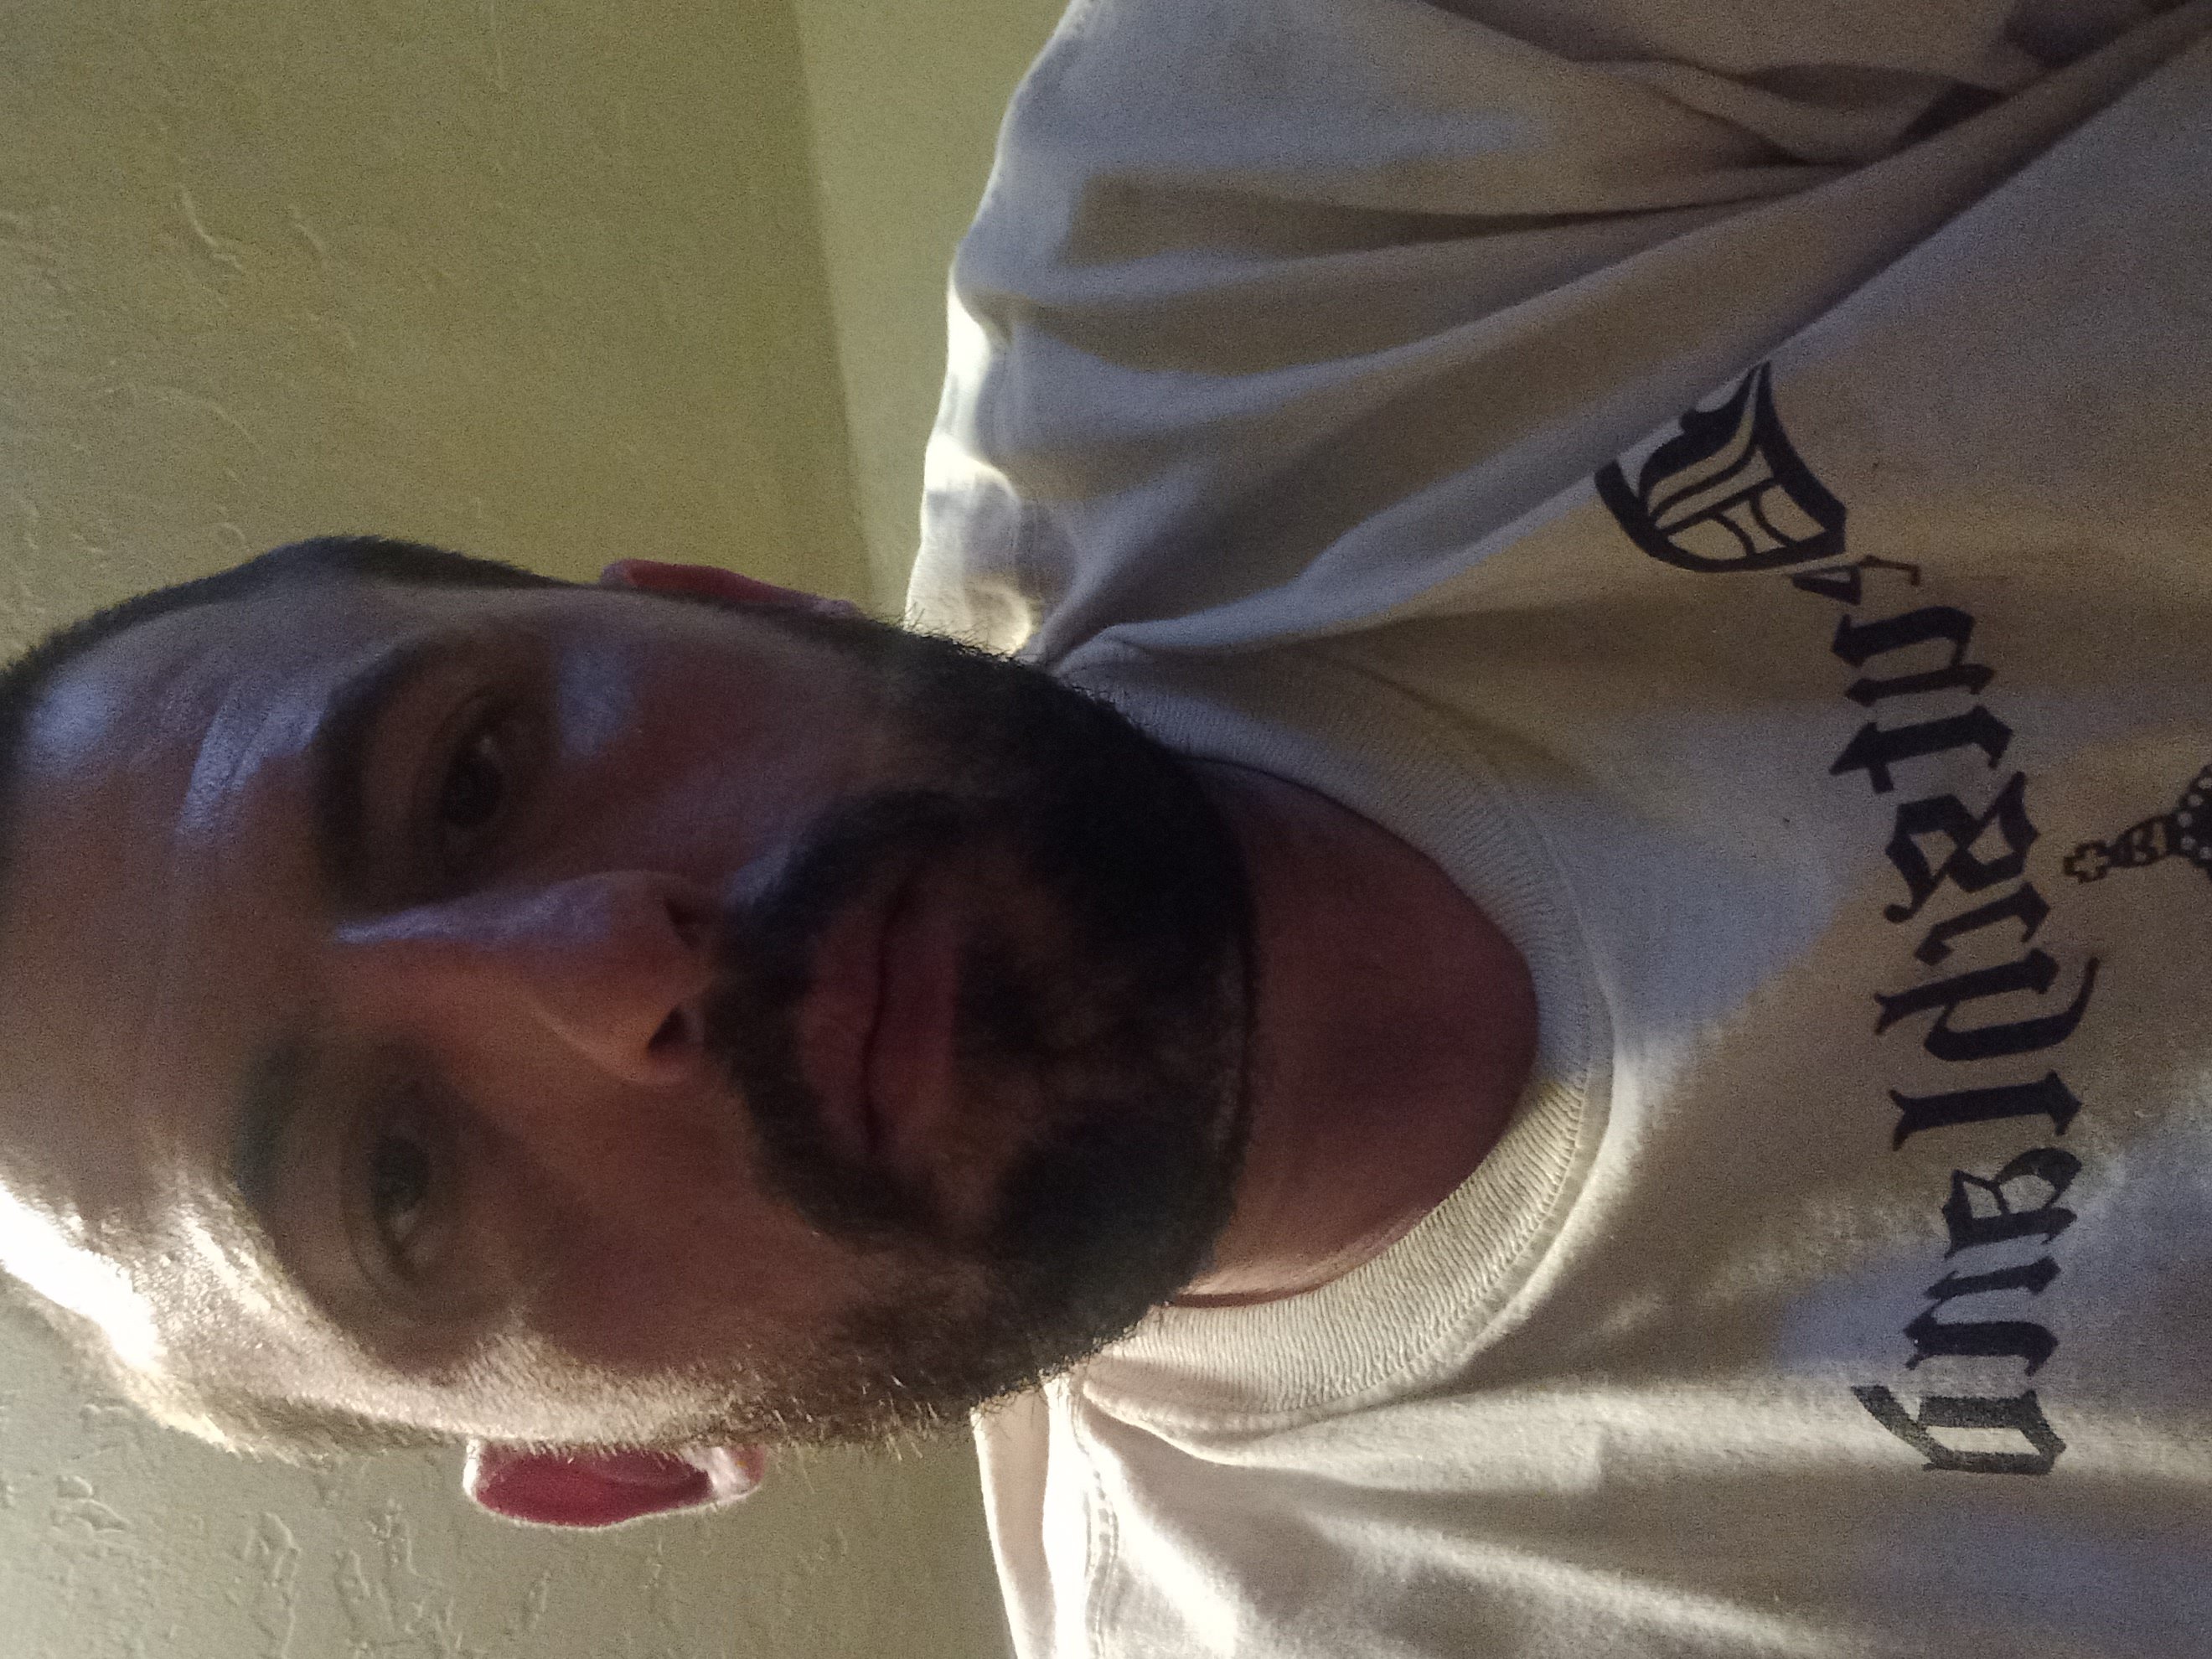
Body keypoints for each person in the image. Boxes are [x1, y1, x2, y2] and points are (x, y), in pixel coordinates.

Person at [3, 0, 2210, 1651]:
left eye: (476, 775)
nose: (600, 972)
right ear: (619, 1465)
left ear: (728, 607)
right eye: (399, 1186)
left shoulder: (1274, 188)